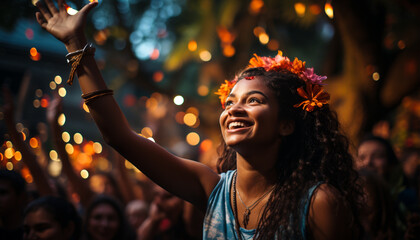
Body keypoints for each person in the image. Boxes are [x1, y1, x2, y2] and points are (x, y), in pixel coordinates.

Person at [34, 1, 363, 239]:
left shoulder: (318, 204)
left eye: (254, 101)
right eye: (230, 101)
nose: (233, 109)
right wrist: (77, 46)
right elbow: (120, 136)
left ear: (287, 124)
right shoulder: (212, 189)